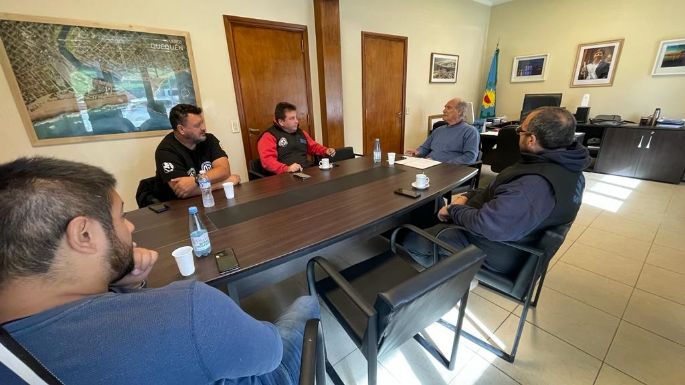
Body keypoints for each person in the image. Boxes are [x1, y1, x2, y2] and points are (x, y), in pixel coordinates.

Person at [0, 157, 320, 385]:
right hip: (260, 364)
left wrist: (127, 288)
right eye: (121, 216)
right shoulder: (189, 309)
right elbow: (268, 354)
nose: (131, 226)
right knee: (306, 305)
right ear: (84, 235)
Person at [403, 107, 591, 275]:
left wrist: (454, 210)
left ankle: (449, 276)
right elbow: (497, 189)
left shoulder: (534, 185)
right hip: (508, 234)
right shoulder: (567, 169)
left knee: (409, 239)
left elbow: (489, 225)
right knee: (431, 208)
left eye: (520, 130)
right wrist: (467, 196)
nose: (518, 134)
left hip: (496, 248)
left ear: (532, 139)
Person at [153, 103, 240, 201]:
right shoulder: (165, 151)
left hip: (212, 200)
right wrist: (223, 183)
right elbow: (183, 192)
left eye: (202, 122)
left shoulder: (209, 139)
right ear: (181, 129)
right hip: (179, 208)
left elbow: (224, 171)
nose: (203, 128)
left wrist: (195, 181)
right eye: (197, 125)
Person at [257, 102, 335, 174]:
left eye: (296, 117)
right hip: (285, 176)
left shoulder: (301, 132)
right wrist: (286, 169)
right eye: (292, 118)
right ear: (281, 122)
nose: (296, 121)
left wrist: (325, 150)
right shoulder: (268, 136)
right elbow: (267, 161)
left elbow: (313, 146)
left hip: (305, 171)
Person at [406, 98, 480, 164]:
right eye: (445, 107)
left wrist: (445, 164)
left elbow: (470, 157)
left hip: (450, 170)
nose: (444, 110)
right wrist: (417, 152)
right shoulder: (438, 130)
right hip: (429, 164)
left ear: (460, 112)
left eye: (449, 108)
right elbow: (425, 148)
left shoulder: (470, 131)